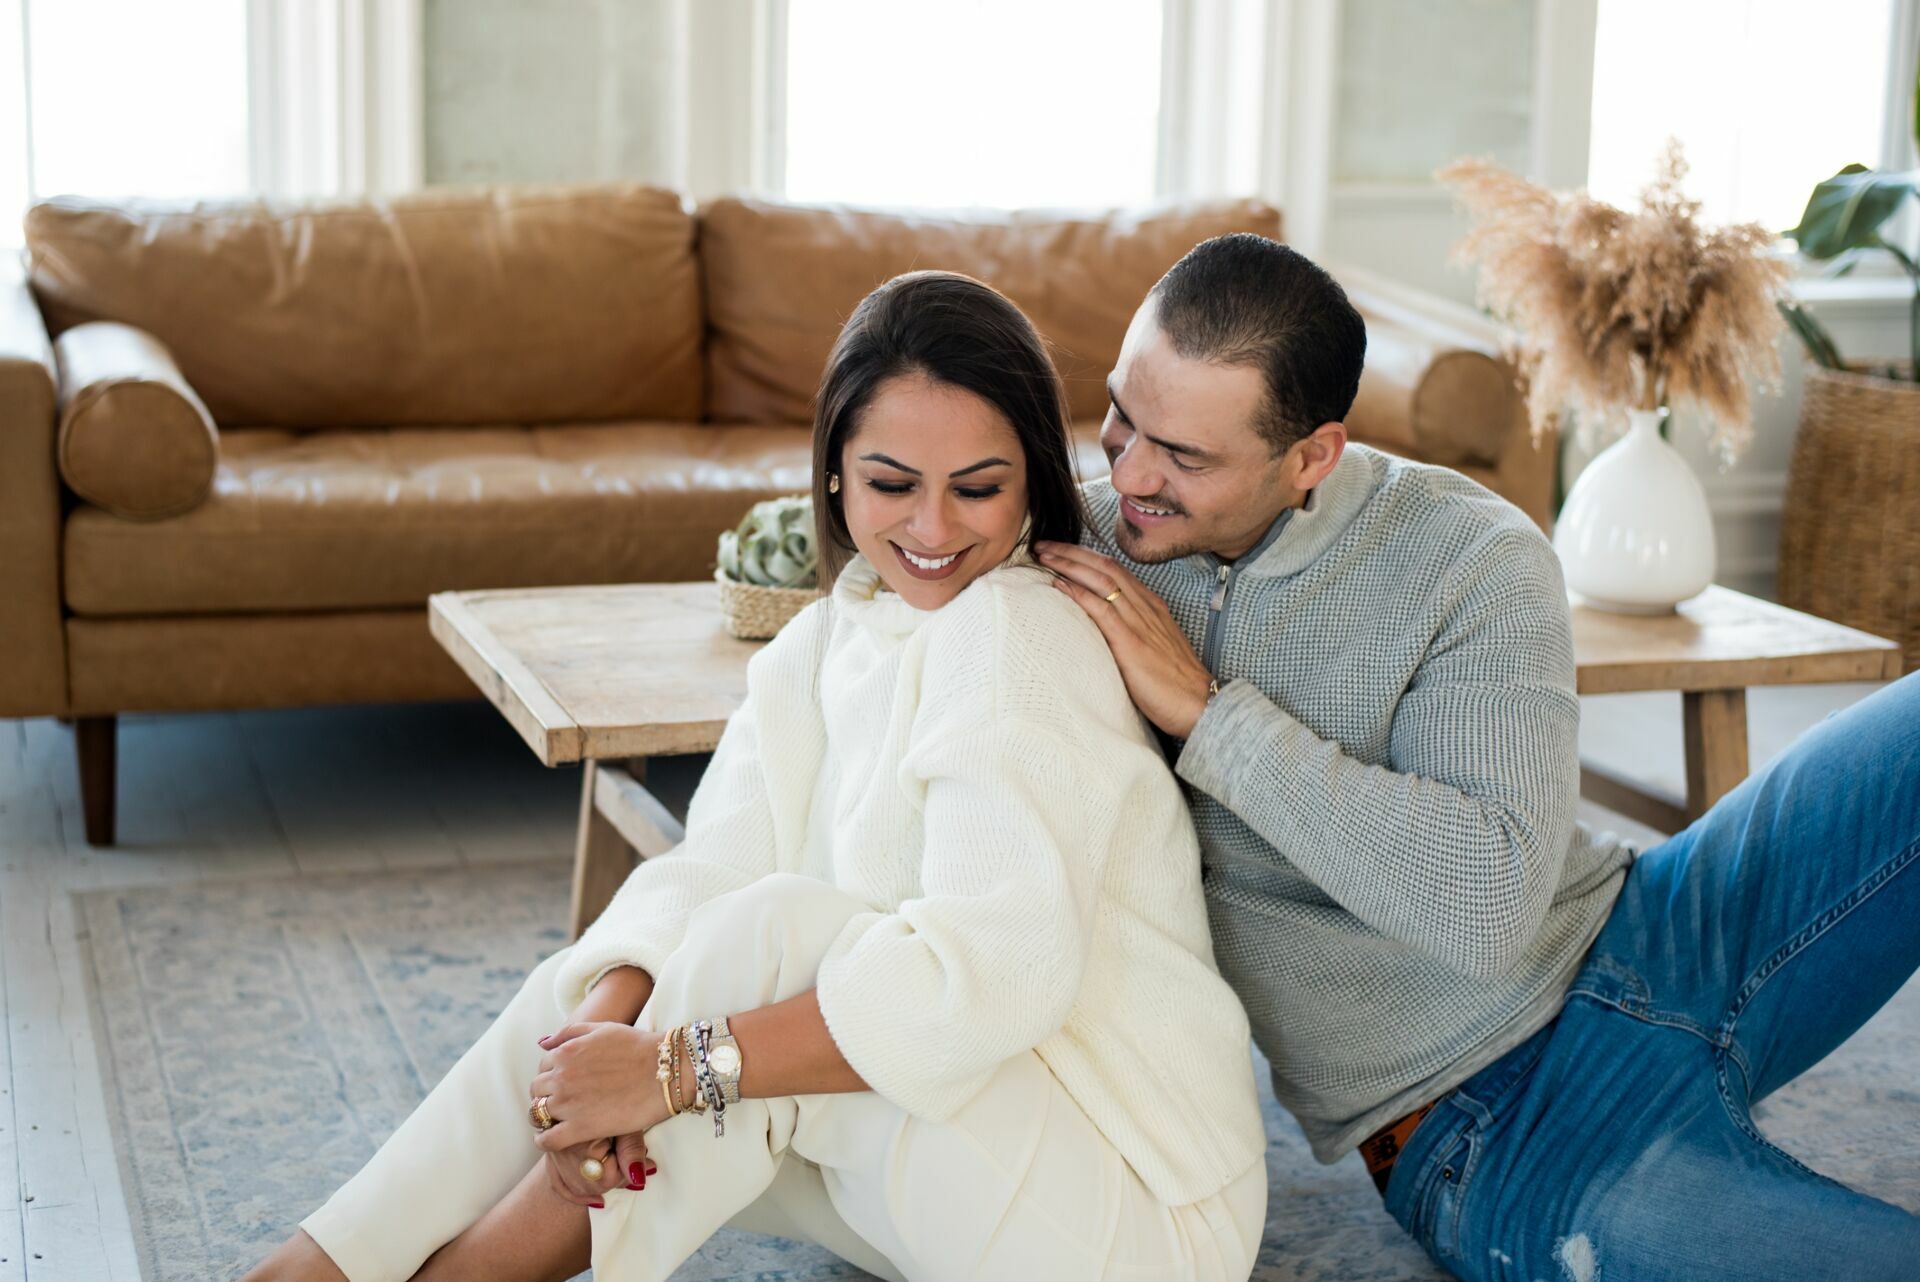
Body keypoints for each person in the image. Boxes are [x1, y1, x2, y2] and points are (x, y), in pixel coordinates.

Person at [243, 269, 1269, 1282]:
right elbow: (705, 873)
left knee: (763, 955)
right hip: (962, 1158)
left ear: (1034, 484)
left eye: (979, 488)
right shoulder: (827, 637)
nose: (932, 529)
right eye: (892, 483)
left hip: (1137, 1209)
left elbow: (987, 978)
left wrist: (663, 1070)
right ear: (833, 473)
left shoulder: (1017, 632)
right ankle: (316, 1266)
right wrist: (596, 1046)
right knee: (646, 990)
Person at [1037, 231, 1920, 1282]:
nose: (1125, 471)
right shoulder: (1082, 554)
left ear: (1312, 455)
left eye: (1182, 456)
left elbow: (1490, 902)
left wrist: (1210, 718)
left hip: (1662, 925)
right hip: (1485, 1122)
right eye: (1123, 415)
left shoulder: (1472, 551)